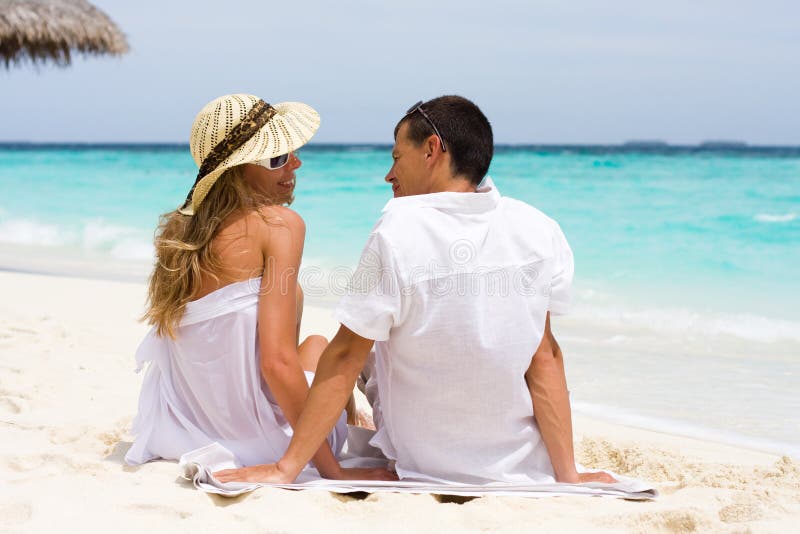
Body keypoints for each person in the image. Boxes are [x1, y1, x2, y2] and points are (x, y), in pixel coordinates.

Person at [215, 95, 615, 485]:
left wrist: (288, 468)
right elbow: (545, 356)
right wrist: (568, 474)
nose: (389, 175)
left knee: (348, 343)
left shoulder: (399, 228)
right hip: (515, 464)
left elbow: (344, 356)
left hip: (423, 462)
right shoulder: (540, 228)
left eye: (395, 158)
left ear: (431, 150)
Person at [125, 93, 389, 481]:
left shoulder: (181, 233)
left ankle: (352, 415)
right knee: (320, 348)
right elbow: (276, 363)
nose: (295, 163)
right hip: (261, 439)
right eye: (277, 157)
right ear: (237, 169)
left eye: (292, 152)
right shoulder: (279, 225)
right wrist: (331, 470)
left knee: (311, 342)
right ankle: (352, 418)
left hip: (184, 429)